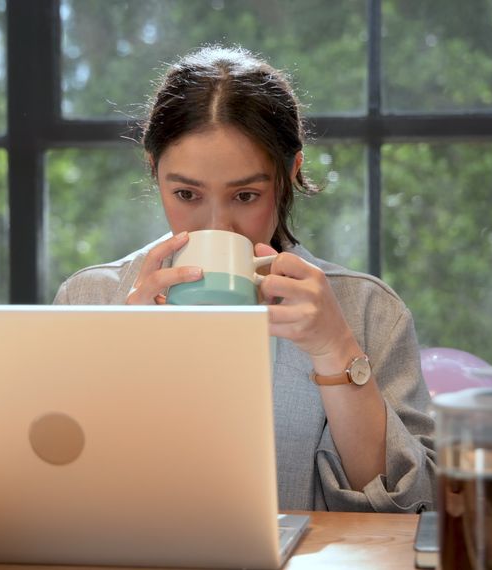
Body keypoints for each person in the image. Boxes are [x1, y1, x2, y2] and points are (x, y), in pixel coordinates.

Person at [52, 46, 435, 512]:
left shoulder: (369, 310)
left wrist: (337, 351)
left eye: (246, 195)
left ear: (289, 174)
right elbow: (58, 486)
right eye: (186, 193)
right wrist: (126, 354)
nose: (217, 227)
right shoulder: (89, 298)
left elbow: (416, 507)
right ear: (153, 170)